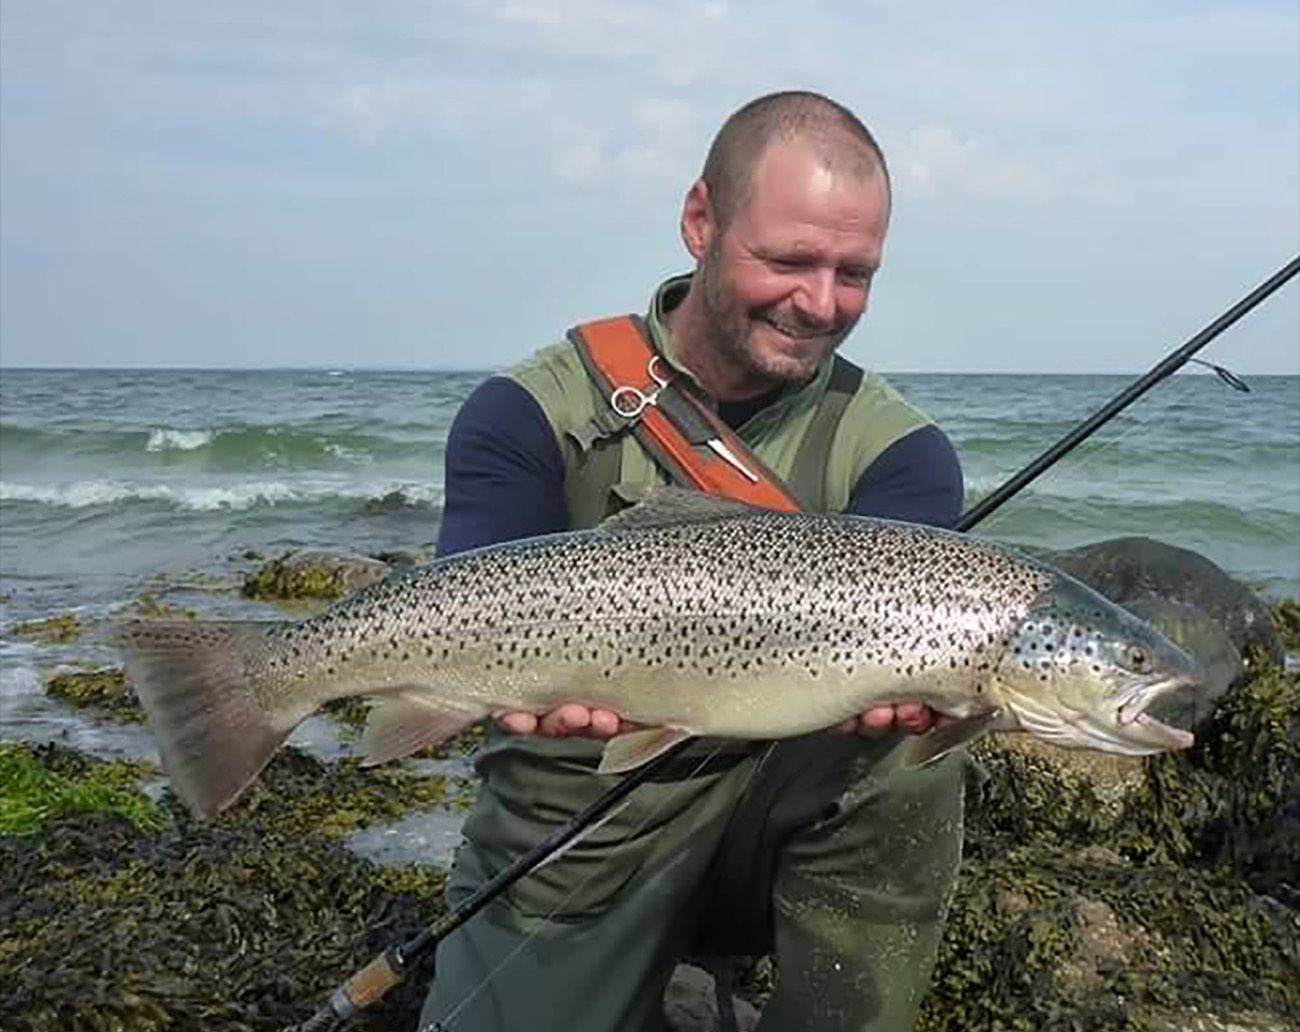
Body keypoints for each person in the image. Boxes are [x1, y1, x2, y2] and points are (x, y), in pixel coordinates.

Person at [421, 90, 967, 1032]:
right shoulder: (526, 413)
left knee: (908, 765)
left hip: (777, 818)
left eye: (856, 272)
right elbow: (463, 609)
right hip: (577, 818)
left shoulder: (902, 454)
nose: (822, 302)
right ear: (699, 221)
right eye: (789, 259)